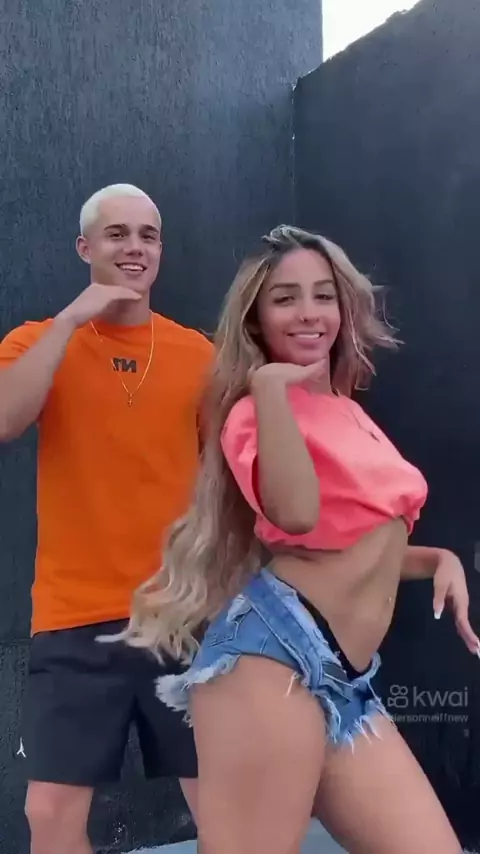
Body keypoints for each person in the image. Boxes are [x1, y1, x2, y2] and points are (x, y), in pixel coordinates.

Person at [122, 225, 478, 854]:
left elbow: (355, 541)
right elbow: (295, 515)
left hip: (347, 682)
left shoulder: (344, 407)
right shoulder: (253, 412)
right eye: (285, 298)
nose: (309, 312)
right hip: (274, 659)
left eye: (323, 295)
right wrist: (268, 389)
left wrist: (438, 559)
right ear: (256, 319)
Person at [0, 184, 213, 854]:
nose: (134, 248)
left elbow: (223, 477)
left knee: (225, 805)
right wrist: (70, 320)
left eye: (148, 235)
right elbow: (4, 420)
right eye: (117, 234)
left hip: (180, 614)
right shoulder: (38, 340)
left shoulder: (197, 353)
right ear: (84, 247)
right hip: (74, 617)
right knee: (50, 814)